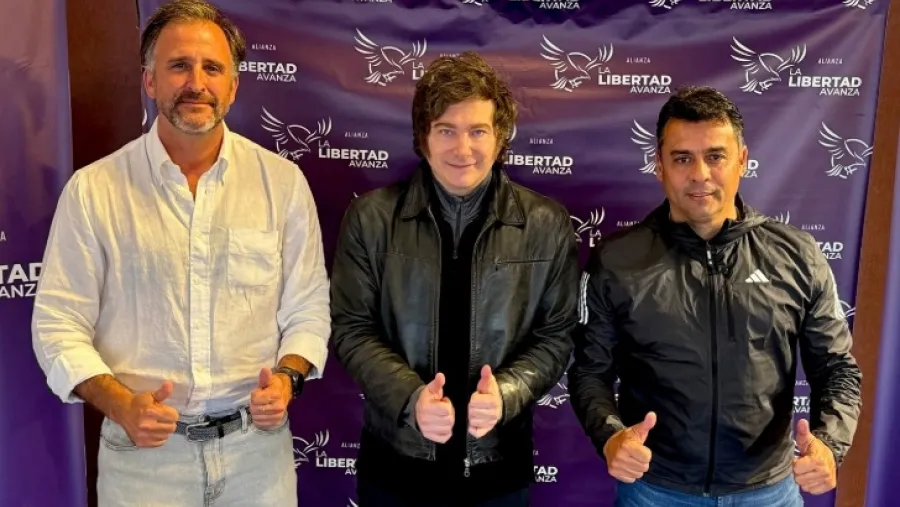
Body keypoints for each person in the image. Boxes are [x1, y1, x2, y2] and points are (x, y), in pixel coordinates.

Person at [31, 1, 330, 505]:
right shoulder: (94, 190)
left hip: (258, 459)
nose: (197, 83)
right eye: (179, 66)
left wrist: (286, 379)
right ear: (149, 81)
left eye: (213, 68)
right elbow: (58, 324)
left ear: (233, 86)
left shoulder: (282, 184)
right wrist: (122, 405)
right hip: (144, 461)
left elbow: (308, 307)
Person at [569, 86, 862, 506]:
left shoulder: (797, 255)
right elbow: (589, 372)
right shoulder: (617, 260)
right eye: (682, 158)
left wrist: (829, 445)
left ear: (742, 159)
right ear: (659, 165)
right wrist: (611, 435)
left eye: (715, 156)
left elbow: (836, 368)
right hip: (655, 492)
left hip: (769, 493)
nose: (700, 174)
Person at [330, 52, 578, 507]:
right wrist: (411, 399)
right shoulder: (371, 218)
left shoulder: (546, 224)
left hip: (498, 474)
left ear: (500, 137)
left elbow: (556, 336)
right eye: (446, 130)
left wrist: (506, 394)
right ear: (422, 137)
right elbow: (351, 328)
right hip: (394, 470)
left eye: (478, 131)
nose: (463, 149)